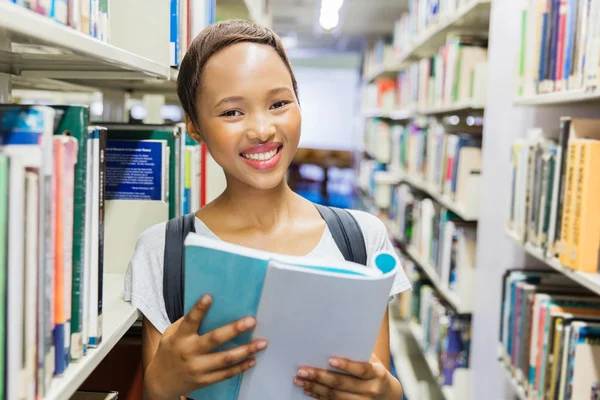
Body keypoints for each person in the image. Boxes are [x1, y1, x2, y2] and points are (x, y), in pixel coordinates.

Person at [124, 19, 411, 400]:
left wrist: (387, 394)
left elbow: (372, 381)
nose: (262, 129)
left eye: (279, 103)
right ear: (194, 127)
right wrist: (159, 385)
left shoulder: (361, 239)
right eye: (231, 113)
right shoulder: (163, 251)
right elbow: (158, 391)